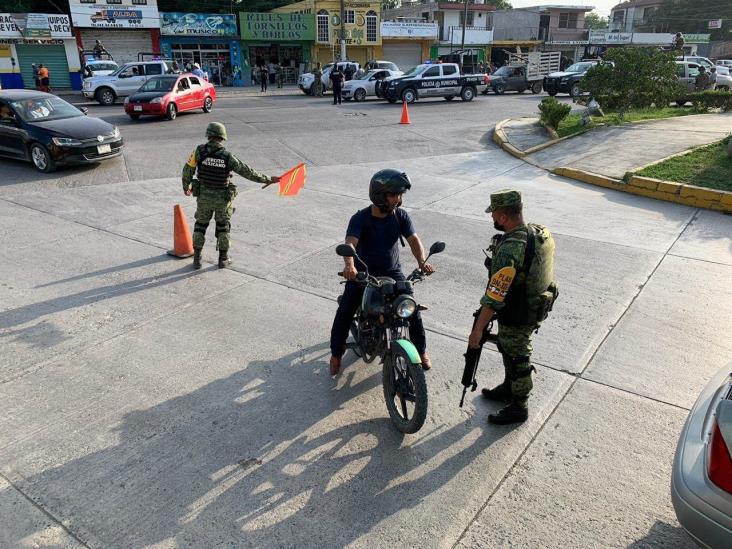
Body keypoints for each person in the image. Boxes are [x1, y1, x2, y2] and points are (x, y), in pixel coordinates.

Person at [329, 169, 435, 376]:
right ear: (379, 195)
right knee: (345, 311)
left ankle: (421, 351)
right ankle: (335, 355)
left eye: (400, 194)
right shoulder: (360, 218)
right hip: (363, 275)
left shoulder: (400, 215)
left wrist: (422, 261)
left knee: (411, 310)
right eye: (394, 194)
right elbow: (350, 242)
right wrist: (350, 266)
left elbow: (413, 239)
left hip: (393, 273)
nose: (398, 199)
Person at [469, 190, 557, 425]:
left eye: (494, 214)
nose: (493, 219)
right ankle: (509, 389)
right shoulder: (537, 233)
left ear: (505, 217)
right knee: (508, 348)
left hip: (518, 312)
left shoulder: (510, 247)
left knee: (518, 357)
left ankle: (519, 406)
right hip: (533, 304)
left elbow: (494, 296)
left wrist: (477, 330)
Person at [182, 123, 280, 269]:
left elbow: (187, 170)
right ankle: (223, 259)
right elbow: (247, 171)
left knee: (200, 226)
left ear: (208, 135)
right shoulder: (227, 156)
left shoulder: (198, 151)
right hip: (222, 199)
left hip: (203, 198)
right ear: (222, 137)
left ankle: (197, 259)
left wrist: (186, 187)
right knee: (223, 227)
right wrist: (267, 179)